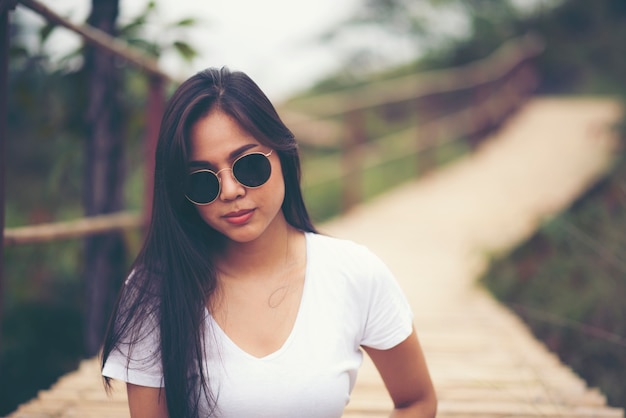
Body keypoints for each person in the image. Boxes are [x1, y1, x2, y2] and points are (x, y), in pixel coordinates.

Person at [101, 66, 437, 418]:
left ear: (282, 154)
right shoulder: (155, 289)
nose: (231, 191)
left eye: (248, 165)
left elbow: (417, 401)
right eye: (202, 180)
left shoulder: (354, 273)